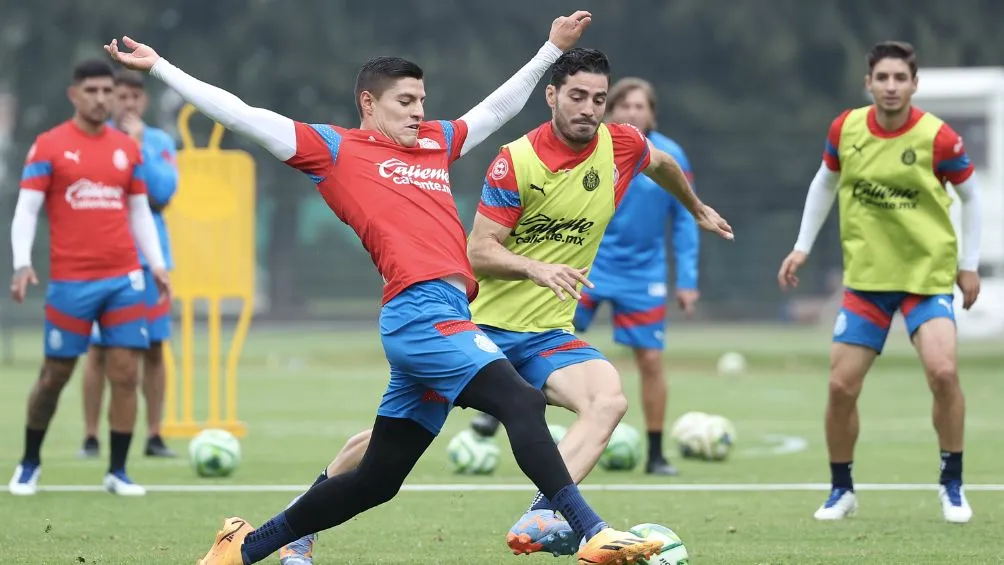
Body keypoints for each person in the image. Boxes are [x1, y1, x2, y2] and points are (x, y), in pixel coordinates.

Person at [106, 12, 668, 565]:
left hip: (446, 313)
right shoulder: (334, 151)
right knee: (519, 400)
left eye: (422, 101)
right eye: (405, 102)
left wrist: (549, 49)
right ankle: (589, 531)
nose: (419, 112)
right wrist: (161, 68)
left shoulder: (434, 142)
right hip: (419, 315)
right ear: (368, 104)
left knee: (377, 478)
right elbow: (243, 114)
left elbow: (495, 110)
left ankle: (244, 548)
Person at [277, 49, 732, 563]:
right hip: (478, 327)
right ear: (552, 96)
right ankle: (300, 524)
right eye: (578, 96)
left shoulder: (621, 146)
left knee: (607, 400)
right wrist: (537, 268)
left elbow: (663, 163)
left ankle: (544, 514)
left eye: (599, 100)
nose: (589, 108)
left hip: (548, 333)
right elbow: (478, 251)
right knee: (385, 444)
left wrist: (694, 208)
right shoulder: (516, 160)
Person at [778, 41, 982, 524]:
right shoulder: (845, 129)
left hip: (925, 277)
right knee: (841, 387)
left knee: (944, 373)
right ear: (868, 82)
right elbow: (824, 182)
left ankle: (951, 484)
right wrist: (803, 245)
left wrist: (968, 263)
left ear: (914, 84)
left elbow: (971, 198)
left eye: (900, 78)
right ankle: (841, 490)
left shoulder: (939, 138)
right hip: (867, 281)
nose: (891, 86)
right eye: (883, 78)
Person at [469, 77, 701, 478]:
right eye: (622, 105)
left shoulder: (641, 148)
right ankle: (506, 396)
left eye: (638, 106)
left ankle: (644, 459)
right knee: (399, 437)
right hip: (582, 271)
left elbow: (672, 189)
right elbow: (478, 250)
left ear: (652, 113)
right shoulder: (524, 157)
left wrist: (696, 223)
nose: (629, 113)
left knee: (630, 377)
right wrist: (536, 266)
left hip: (640, 273)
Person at [8, 59, 169, 497]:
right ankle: (28, 463)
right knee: (55, 374)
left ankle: (117, 471)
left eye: (107, 91)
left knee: (125, 373)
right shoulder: (49, 146)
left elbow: (140, 212)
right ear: (74, 95)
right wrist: (22, 262)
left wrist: (156, 265)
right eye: (92, 91)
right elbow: (26, 210)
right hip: (71, 282)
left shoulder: (127, 148)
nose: (101, 99)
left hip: (124, 279)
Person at [80, 69, 180, 459]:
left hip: (151, 262)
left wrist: (136, 147)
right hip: (103, 260)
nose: (128, 104)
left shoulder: (157, 141)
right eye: (122, 97)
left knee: (154, 348)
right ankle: (91, 435)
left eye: (135, 97)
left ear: (145, 102)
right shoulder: (92, 140)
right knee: (100, 350)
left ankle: (154, 434)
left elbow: (163, 191)